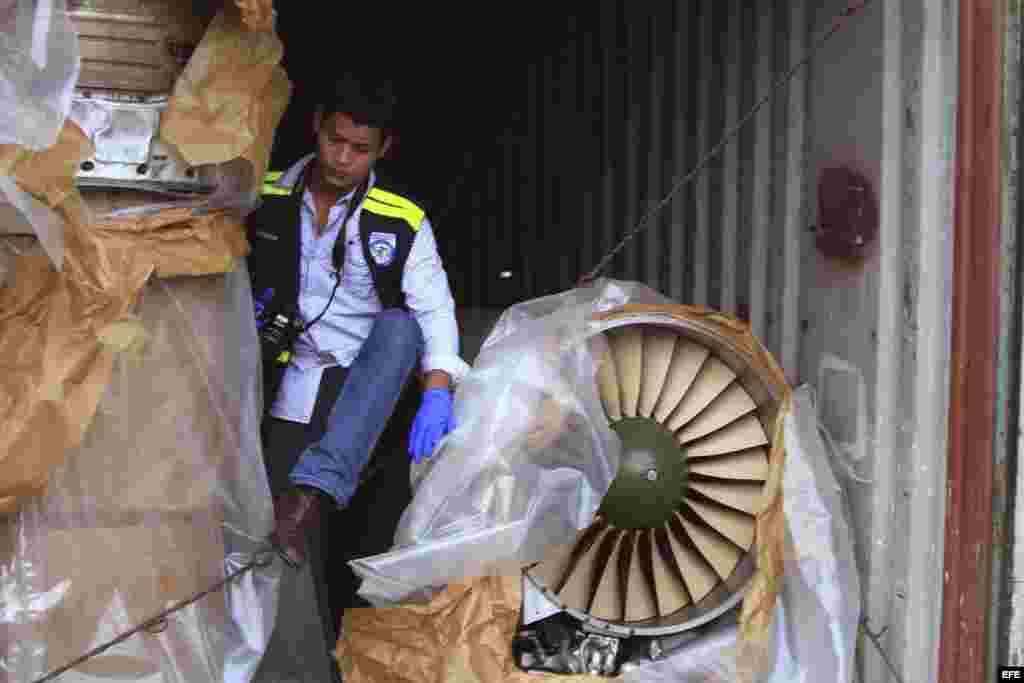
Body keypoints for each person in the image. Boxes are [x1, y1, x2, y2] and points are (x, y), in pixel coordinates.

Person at [246, 74, 468, 648]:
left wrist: (438, 389)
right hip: (280, 378)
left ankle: (315, 493)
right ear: (317, 128)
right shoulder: (264, 196)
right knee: (270, 541)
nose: (342, 158)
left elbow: (436, 311)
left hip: (358, 387)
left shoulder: (401, 219)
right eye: (334, 141)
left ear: (383, 149)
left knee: (401, 327)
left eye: (359, 149)